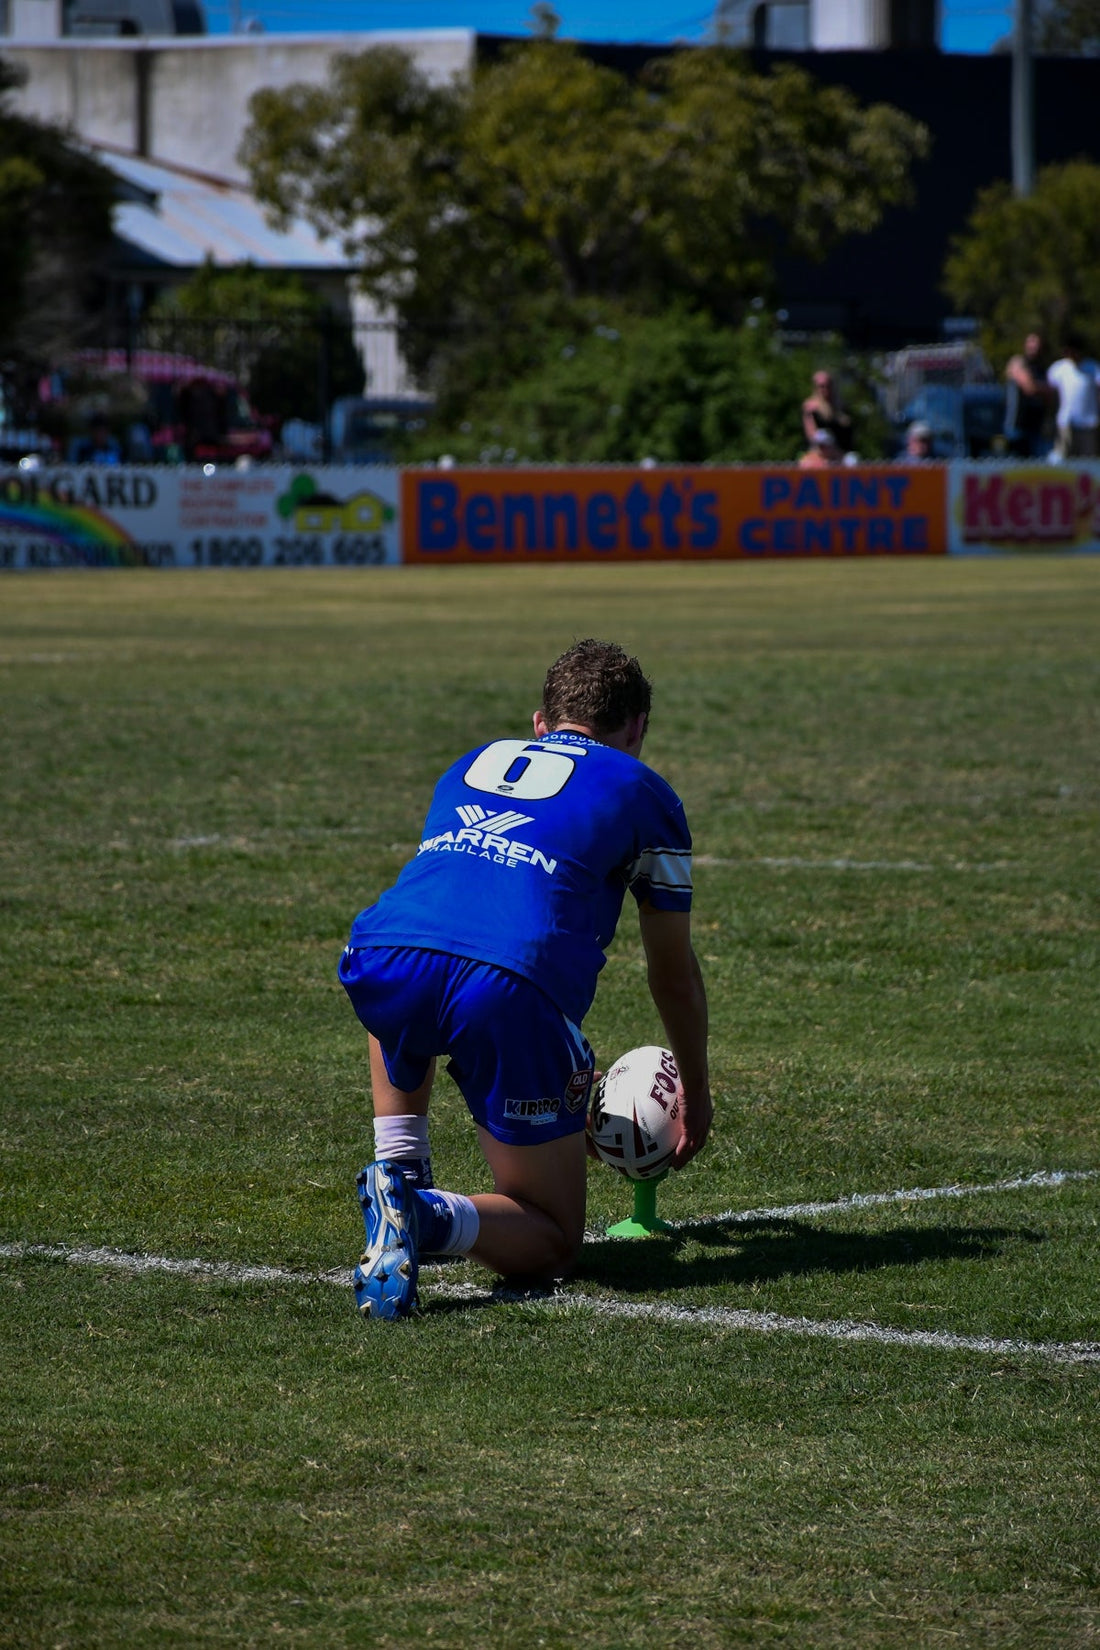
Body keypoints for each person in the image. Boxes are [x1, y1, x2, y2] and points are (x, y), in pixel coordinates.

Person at [339, 639, 713, 1320]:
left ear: (541, 723)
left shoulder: (471, 762)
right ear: (636, 731)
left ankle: (398, 1171)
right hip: (510, 980)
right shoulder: (647, 791)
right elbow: (673, 975)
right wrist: (700, 1092)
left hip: (380, 951)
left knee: (414, 966)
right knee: (552, 1240)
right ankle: (423, 1218)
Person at [1004, 331, 1056, 458]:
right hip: (1017, 425)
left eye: (1037, 343)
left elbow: (1050, 396)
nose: (1034, 346)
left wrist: (1042, 388)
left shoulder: (1041, 369)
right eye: (1031, 342)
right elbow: (1029, 387)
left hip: (1036, 426)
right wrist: (1044, 388)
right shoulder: (1017, 362)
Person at [1047, 334, 1100, 460]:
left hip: (1088, 423)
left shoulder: (1093, 367)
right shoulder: (1059, 368)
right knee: (1063, 459)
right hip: (1066, 423)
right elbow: (1050, 393)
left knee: (1088, 460)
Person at [801, 369, 853, 455]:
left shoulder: (840, 406)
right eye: (821, 386)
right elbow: (811, 435)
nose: (825, 389)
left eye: (828, 385)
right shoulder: (810, 407)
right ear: (815, 387)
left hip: (840, 454)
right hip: (818, 454)